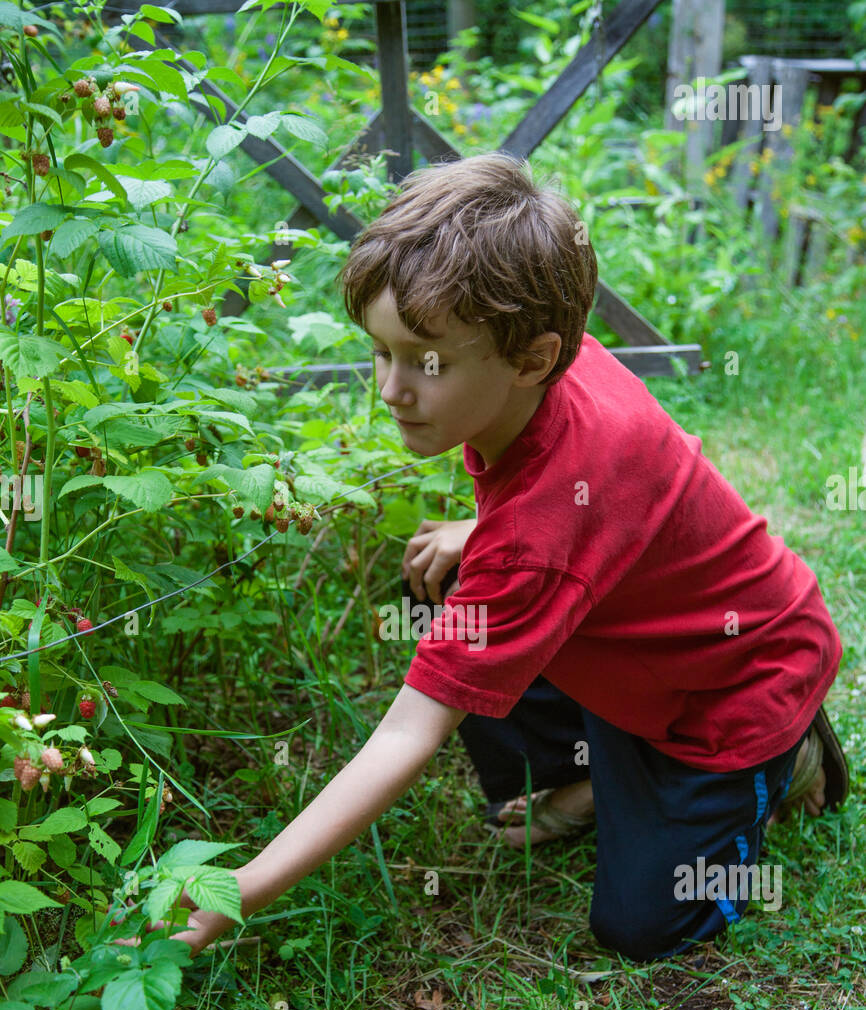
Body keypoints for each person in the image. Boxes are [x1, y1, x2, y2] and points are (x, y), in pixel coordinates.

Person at [162, 151, 848, 962]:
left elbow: (407, 735)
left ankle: (784, 760)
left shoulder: (537, 540)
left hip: (738, 679)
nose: (390, 389)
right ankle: (591, 773)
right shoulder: (551, 365)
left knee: (642, 928)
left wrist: (245, 887)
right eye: (380, 351)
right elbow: (588, 504)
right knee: (444, 574)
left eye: (425, 361)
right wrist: (479, 530)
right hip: (631, 632)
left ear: (531, 358)